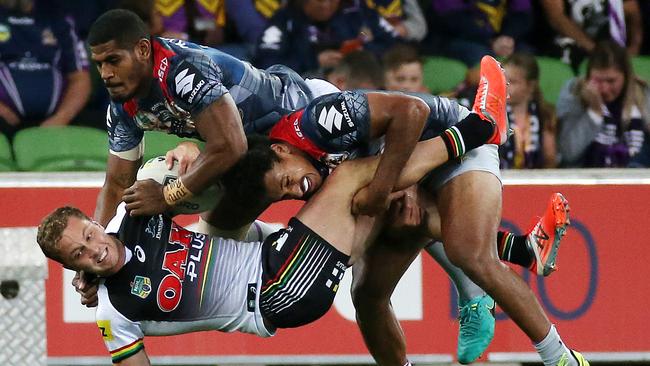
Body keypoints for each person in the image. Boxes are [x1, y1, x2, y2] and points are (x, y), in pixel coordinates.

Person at [37, 94, 503, 365]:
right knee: (352, 179)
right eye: (78, 255)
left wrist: (179, 151)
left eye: (88, 237)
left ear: (97, 224)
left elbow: (165, 170)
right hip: (276, 289)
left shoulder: (131, 214)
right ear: (68, 267)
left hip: (278, 257)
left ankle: (520, 250)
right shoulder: (113, 313)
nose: (93, 251)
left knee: (392, 218)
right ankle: (477, 128)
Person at [86, 9, 339, 229]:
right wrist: (98, 242)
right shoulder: (122, 108)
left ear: (142, 49)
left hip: (313, 119)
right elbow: (118, 184)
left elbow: (230, 145)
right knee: (215, 232)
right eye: (99, 65)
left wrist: (166, 196)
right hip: (260, 158)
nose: (106, 74)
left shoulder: (182, 70)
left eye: (113, 60)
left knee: (366, 212)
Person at [0, 0, 91, 139]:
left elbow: (80, 78)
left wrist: (61, 118)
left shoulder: (60, 19)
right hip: (4, 119)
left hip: (57, 119)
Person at [557, 40, 650, 167]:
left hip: (635, 176)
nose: (605, 89)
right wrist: (594, 113)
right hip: (584, 176)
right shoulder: (574, 92)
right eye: (598, 80)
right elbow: (568, 153)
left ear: (626, 76)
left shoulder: (642, 92)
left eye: (611, 81)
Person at [254, 0, 402, 76]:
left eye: (332, 0)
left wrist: (363, 53)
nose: (326, 5)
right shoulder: (284, 20)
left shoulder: (357, 11)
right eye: (319, 0)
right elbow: (266, 65)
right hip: (306, 87)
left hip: (359, 82)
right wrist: (315, 61)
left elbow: (397, 45)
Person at [501, 53, 558, 168]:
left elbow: (550, 159)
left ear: (531, 85)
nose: (504, 85)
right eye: (502, 79)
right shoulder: (491, 114)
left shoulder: (544, 115)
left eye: (512, 81)